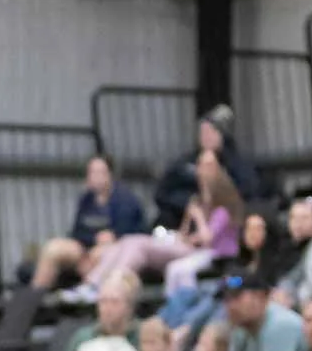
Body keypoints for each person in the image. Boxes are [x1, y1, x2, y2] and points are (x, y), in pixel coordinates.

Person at [81, 150, 243, 299]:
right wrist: (182, 233)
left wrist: (198, 217)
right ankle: (93, 283)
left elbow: (208, 239)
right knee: (128, 241)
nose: (202, 170)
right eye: (200, 164)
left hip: (207, 253)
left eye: (208, 165)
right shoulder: (197, 200)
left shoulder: (223, 208)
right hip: (186, 245)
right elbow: (186, 233)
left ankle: (110, 286)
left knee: (139, 245)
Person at [30, 154, 144, 291]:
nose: (95, 177)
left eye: (99, 172)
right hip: (84, 249)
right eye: (91, 172)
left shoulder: (125, 200)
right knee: (53, 248)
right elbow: (77, 233)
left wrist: (109, 240)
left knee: (101, 253)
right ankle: (36, 293)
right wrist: (82, 255)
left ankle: (88, 292)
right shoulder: (86, 200)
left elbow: (128, 236)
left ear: (111, 174)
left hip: (112, 250)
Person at [152, 103, 258, 229]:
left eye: (211, 132)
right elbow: (162, 192)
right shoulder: (186, 164)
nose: (207, 137)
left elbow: (247, 190)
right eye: (203, 132)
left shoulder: (235, 163)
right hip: (185, 216)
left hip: (220, 217)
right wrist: (188, 202)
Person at [221, 271, 306, 351]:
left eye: (237, 298)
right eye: (226, 300)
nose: (230, 306)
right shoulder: (240, 330)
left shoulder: (281, 324)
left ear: (260, 297)